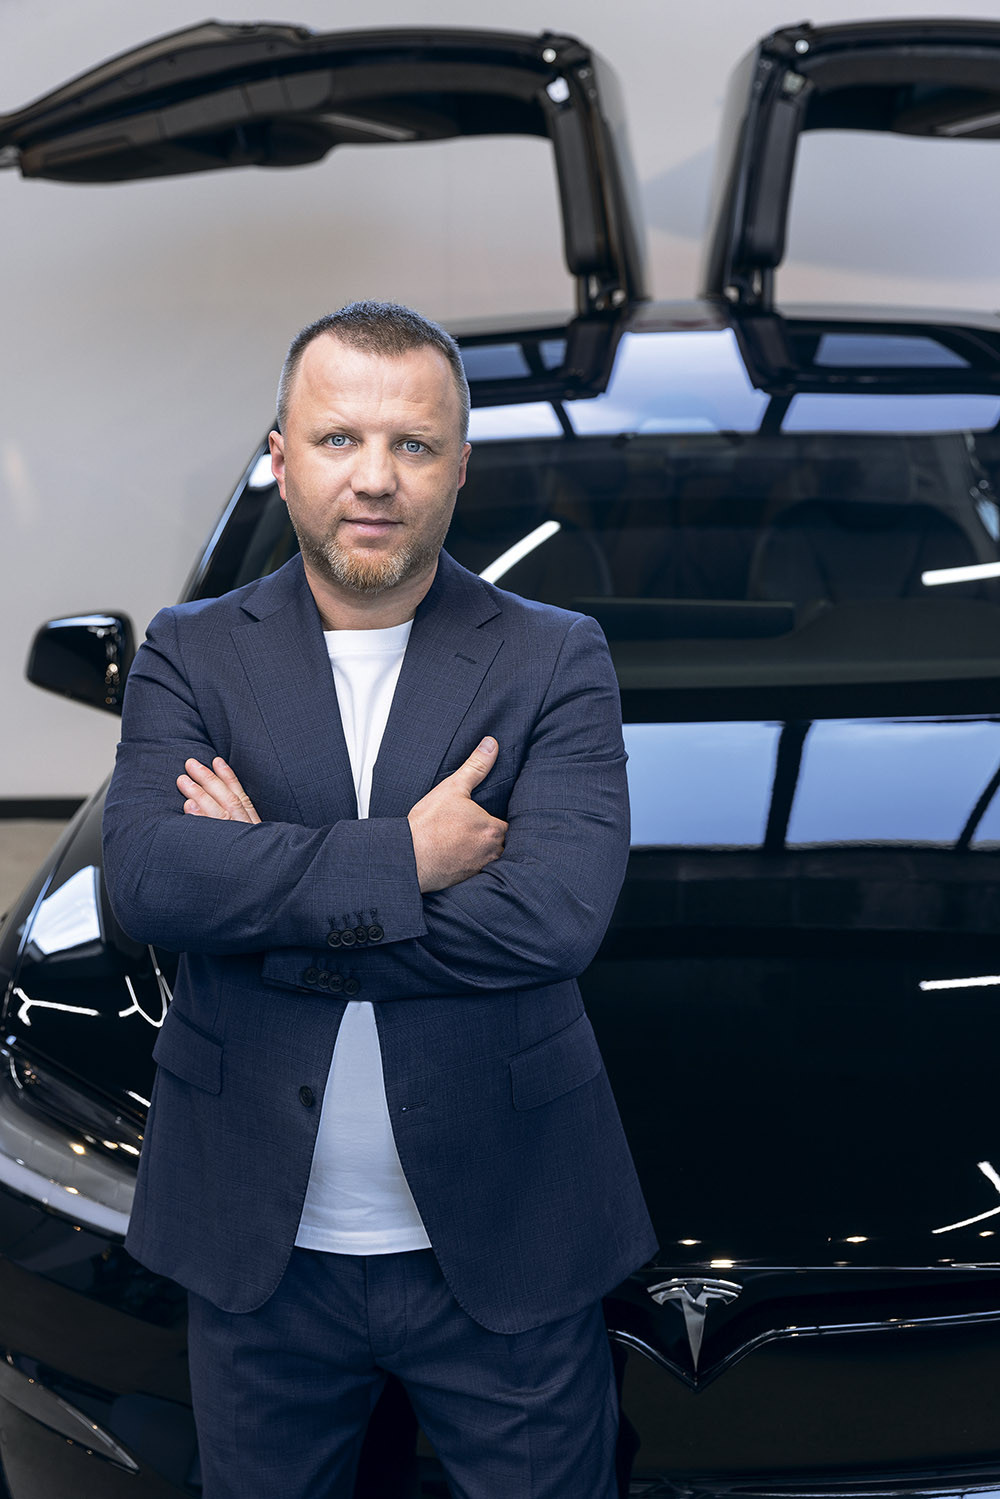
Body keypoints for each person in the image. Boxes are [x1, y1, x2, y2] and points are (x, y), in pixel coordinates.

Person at [103, 300, 656, 1499]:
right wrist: (407, 855)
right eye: (339, 437)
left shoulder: (554, 654)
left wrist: (262, 904)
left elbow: (554, 918)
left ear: (460, 465)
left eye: (412, 443)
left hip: (508, 1233)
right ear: (280, 454)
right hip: (259, 1247)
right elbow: (146, 880)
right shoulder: (190, 651)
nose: (374, 477)